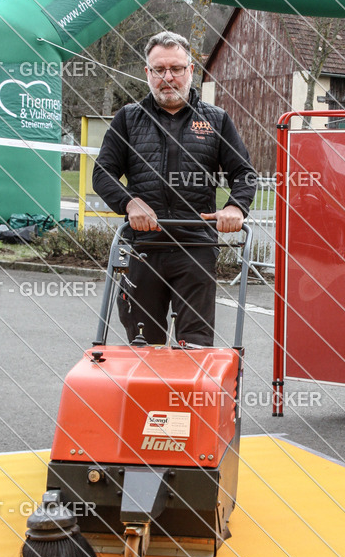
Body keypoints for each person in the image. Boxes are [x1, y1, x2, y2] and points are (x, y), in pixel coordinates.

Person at [92, 31, 256, 346]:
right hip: (142, 249)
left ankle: (187, 395)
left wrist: (236, 207)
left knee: (194, 348)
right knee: (144, 350)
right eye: (159, 69)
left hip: (195, 249)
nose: (168, 77)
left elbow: (244, 173)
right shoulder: (128, 119)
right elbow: (103, 173)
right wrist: (130, 203)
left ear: (190, 70)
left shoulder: (216, 121)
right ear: (147, 73)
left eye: (177, 68)